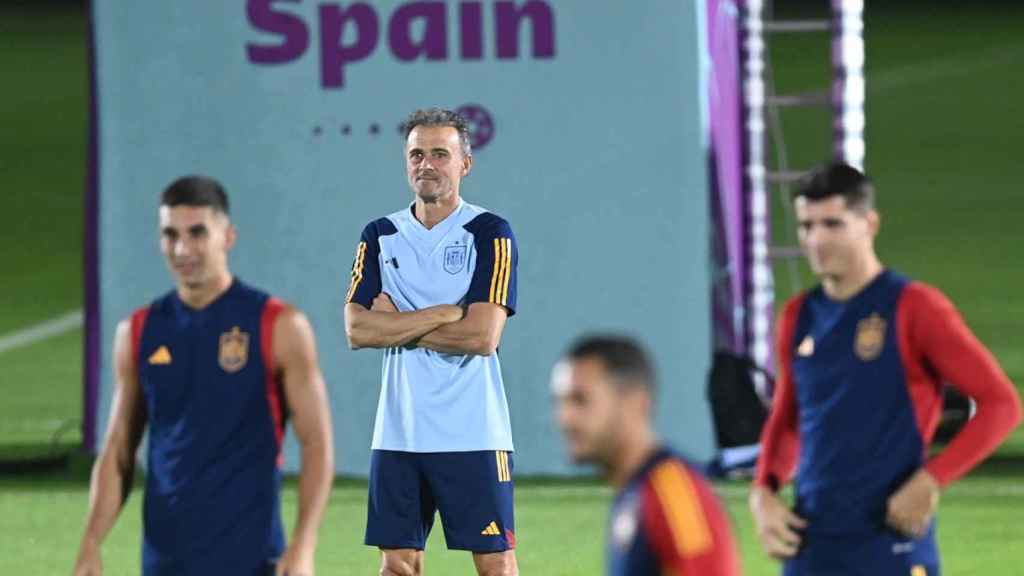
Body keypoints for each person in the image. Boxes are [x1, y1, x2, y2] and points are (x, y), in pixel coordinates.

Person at [749, 162, 1023, 575]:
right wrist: (763, 492)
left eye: (832, 224)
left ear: (869, 223)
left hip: (890, 544)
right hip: (812, 544)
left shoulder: (915, 308)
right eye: (806, 226)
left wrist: (932, 479)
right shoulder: (797, 316)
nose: (816, 240)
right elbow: (788, 419)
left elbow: (1001, 405)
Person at [73, 176, 335, 576]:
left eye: (197, 233)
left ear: (227, 236)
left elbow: (317, 444)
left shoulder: (278, 325)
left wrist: (304, 544)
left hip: (253, 561)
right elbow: (118, 451)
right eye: (170, 234)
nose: (182, 249)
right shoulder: (139, 331)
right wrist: (91, 542)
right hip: (164, 563)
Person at [343, 108, 519, 576]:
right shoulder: (380, 235)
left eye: (441, 154)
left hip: (474, 431)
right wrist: (443, 314)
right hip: (399, 431)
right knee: (398, 566)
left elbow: (482, 336)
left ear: (465, 163)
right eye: (416, 154)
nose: (427, 164)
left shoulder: (489, 233)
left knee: (496, 564)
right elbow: (357, 330)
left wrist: (398, 324)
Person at [551, 335, 742, 576]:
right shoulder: (635, 491)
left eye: (581, 400)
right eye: (559, 402)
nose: (564, 418)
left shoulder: (671, 493)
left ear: (634, 402)